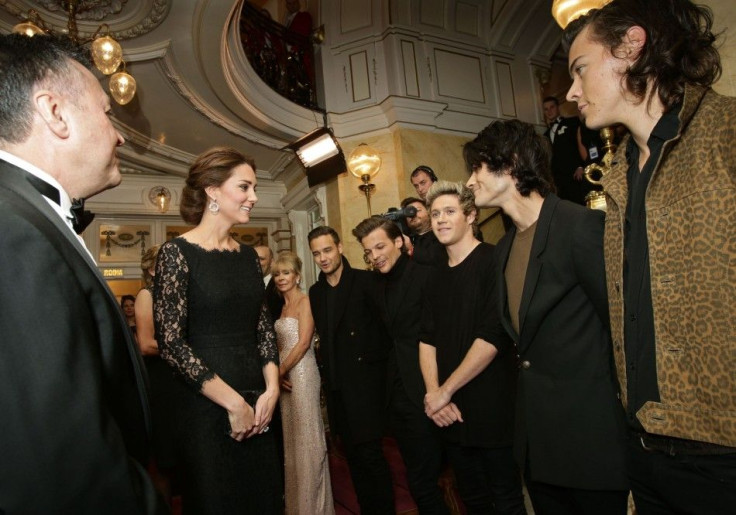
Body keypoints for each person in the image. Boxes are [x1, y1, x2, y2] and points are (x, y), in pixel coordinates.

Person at [563, 0, 736, 512]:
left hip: (723, 453)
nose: (571, 91)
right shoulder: (615, 179)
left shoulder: (727, 134)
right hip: (642, 449)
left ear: (630, 47)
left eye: (579, 69)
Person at [0, 33, 164, 512]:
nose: (120, 134)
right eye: (107, 112)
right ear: (54, 113)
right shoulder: (14, 230)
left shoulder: (26, 216)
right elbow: (61, 467)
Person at [464, 119, 628, 514]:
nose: (469, 181)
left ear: (514, 162)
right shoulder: (502, 250)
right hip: (538, 449)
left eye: (478, 167)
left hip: (591, 442)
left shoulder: (580, 226)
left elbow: (620, 328)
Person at [154, 146, 282, 514]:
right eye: (244, 187)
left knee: (264, 500)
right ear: (212, 190)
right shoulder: (176, 253)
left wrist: (271, 390)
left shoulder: (247, 258)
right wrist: (233, 403)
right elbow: (172, 345)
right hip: (207, 404)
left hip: (258, 402)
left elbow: (263, 330)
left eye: (254, 188)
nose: (253, 197)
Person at [419, 181, 525, 515]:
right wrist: (434, 394)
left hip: (492, 404)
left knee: (506, 500)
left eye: (449, 211)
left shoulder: (494, 260)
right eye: (435, 214)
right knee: (473, 500)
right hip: (449, 413)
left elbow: (492, 337)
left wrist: (444, 391)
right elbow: (426, 340)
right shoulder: (434, 275)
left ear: (471, 215)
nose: (440, 220)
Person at [353, 217, 449, 515]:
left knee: (426, 481)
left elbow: (441, 335)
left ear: (399, 241)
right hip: (398, 396)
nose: (374, 256)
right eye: (368, 252)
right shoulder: (375, 285)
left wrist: (442, 390)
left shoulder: (427, 275)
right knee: (417, 477)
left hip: (431, 389)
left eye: (380, 246)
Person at [308, 226, 394, 514]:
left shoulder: (365, 281)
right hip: (337, 389)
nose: (323, 258)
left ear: (340, 247)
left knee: (371, 456)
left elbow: (386, 333)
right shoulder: (316, 292)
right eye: (316, 253)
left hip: (366, 386)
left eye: (327, 250)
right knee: (353, 458)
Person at [272, 252, 334, 515]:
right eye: (277, 274)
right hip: (284, 378)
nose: (281, 278)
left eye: (286, 272)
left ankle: (315, 508)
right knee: (293, 442)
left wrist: (280, 371)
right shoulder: (281, 306)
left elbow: (305, 341)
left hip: (302, 375)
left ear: (297, 275)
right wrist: (276, 374)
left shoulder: (305, 301)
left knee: (308, 441)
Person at [135, 244, 186, 503]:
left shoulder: (177, 295)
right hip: (162, 381)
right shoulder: (147, 295)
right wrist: (185, 352)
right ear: (153, 269)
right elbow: (145, 344)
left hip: (182, 380)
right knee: (166, 458)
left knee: (186, 455)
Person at [542, 96, 587, 205]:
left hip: (574, 174)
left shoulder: (572, 122)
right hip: (557, 180)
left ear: (558, 108)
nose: (549, 111)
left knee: (580, 205)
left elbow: (582, 143)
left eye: (552, 107)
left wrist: (581, 166)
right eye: (546, 109)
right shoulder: (545, 135)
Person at [400, 196, 445, 267]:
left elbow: (436, 260)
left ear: (428, 212)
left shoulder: (441, 234)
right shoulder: (407, 240)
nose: (412, 214)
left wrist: (411, 250)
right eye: (408, 212)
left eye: (417, 210)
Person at [256, 244, 284, 322]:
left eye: (261, 259)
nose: (257, 262)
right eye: (254, 259)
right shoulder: (246, 285)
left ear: (271, 262)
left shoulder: (281, 285)